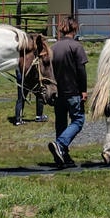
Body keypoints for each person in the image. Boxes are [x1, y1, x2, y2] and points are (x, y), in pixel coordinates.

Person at [46, 16, 87, 168]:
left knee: (61, 123)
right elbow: (81, 70)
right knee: (78, 120)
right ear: (75, 28)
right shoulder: (76, 47)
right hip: (73, 91)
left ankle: (63, 155)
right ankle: (60, 144)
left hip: (58, 92)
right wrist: (83, 90)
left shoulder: (54, 48)